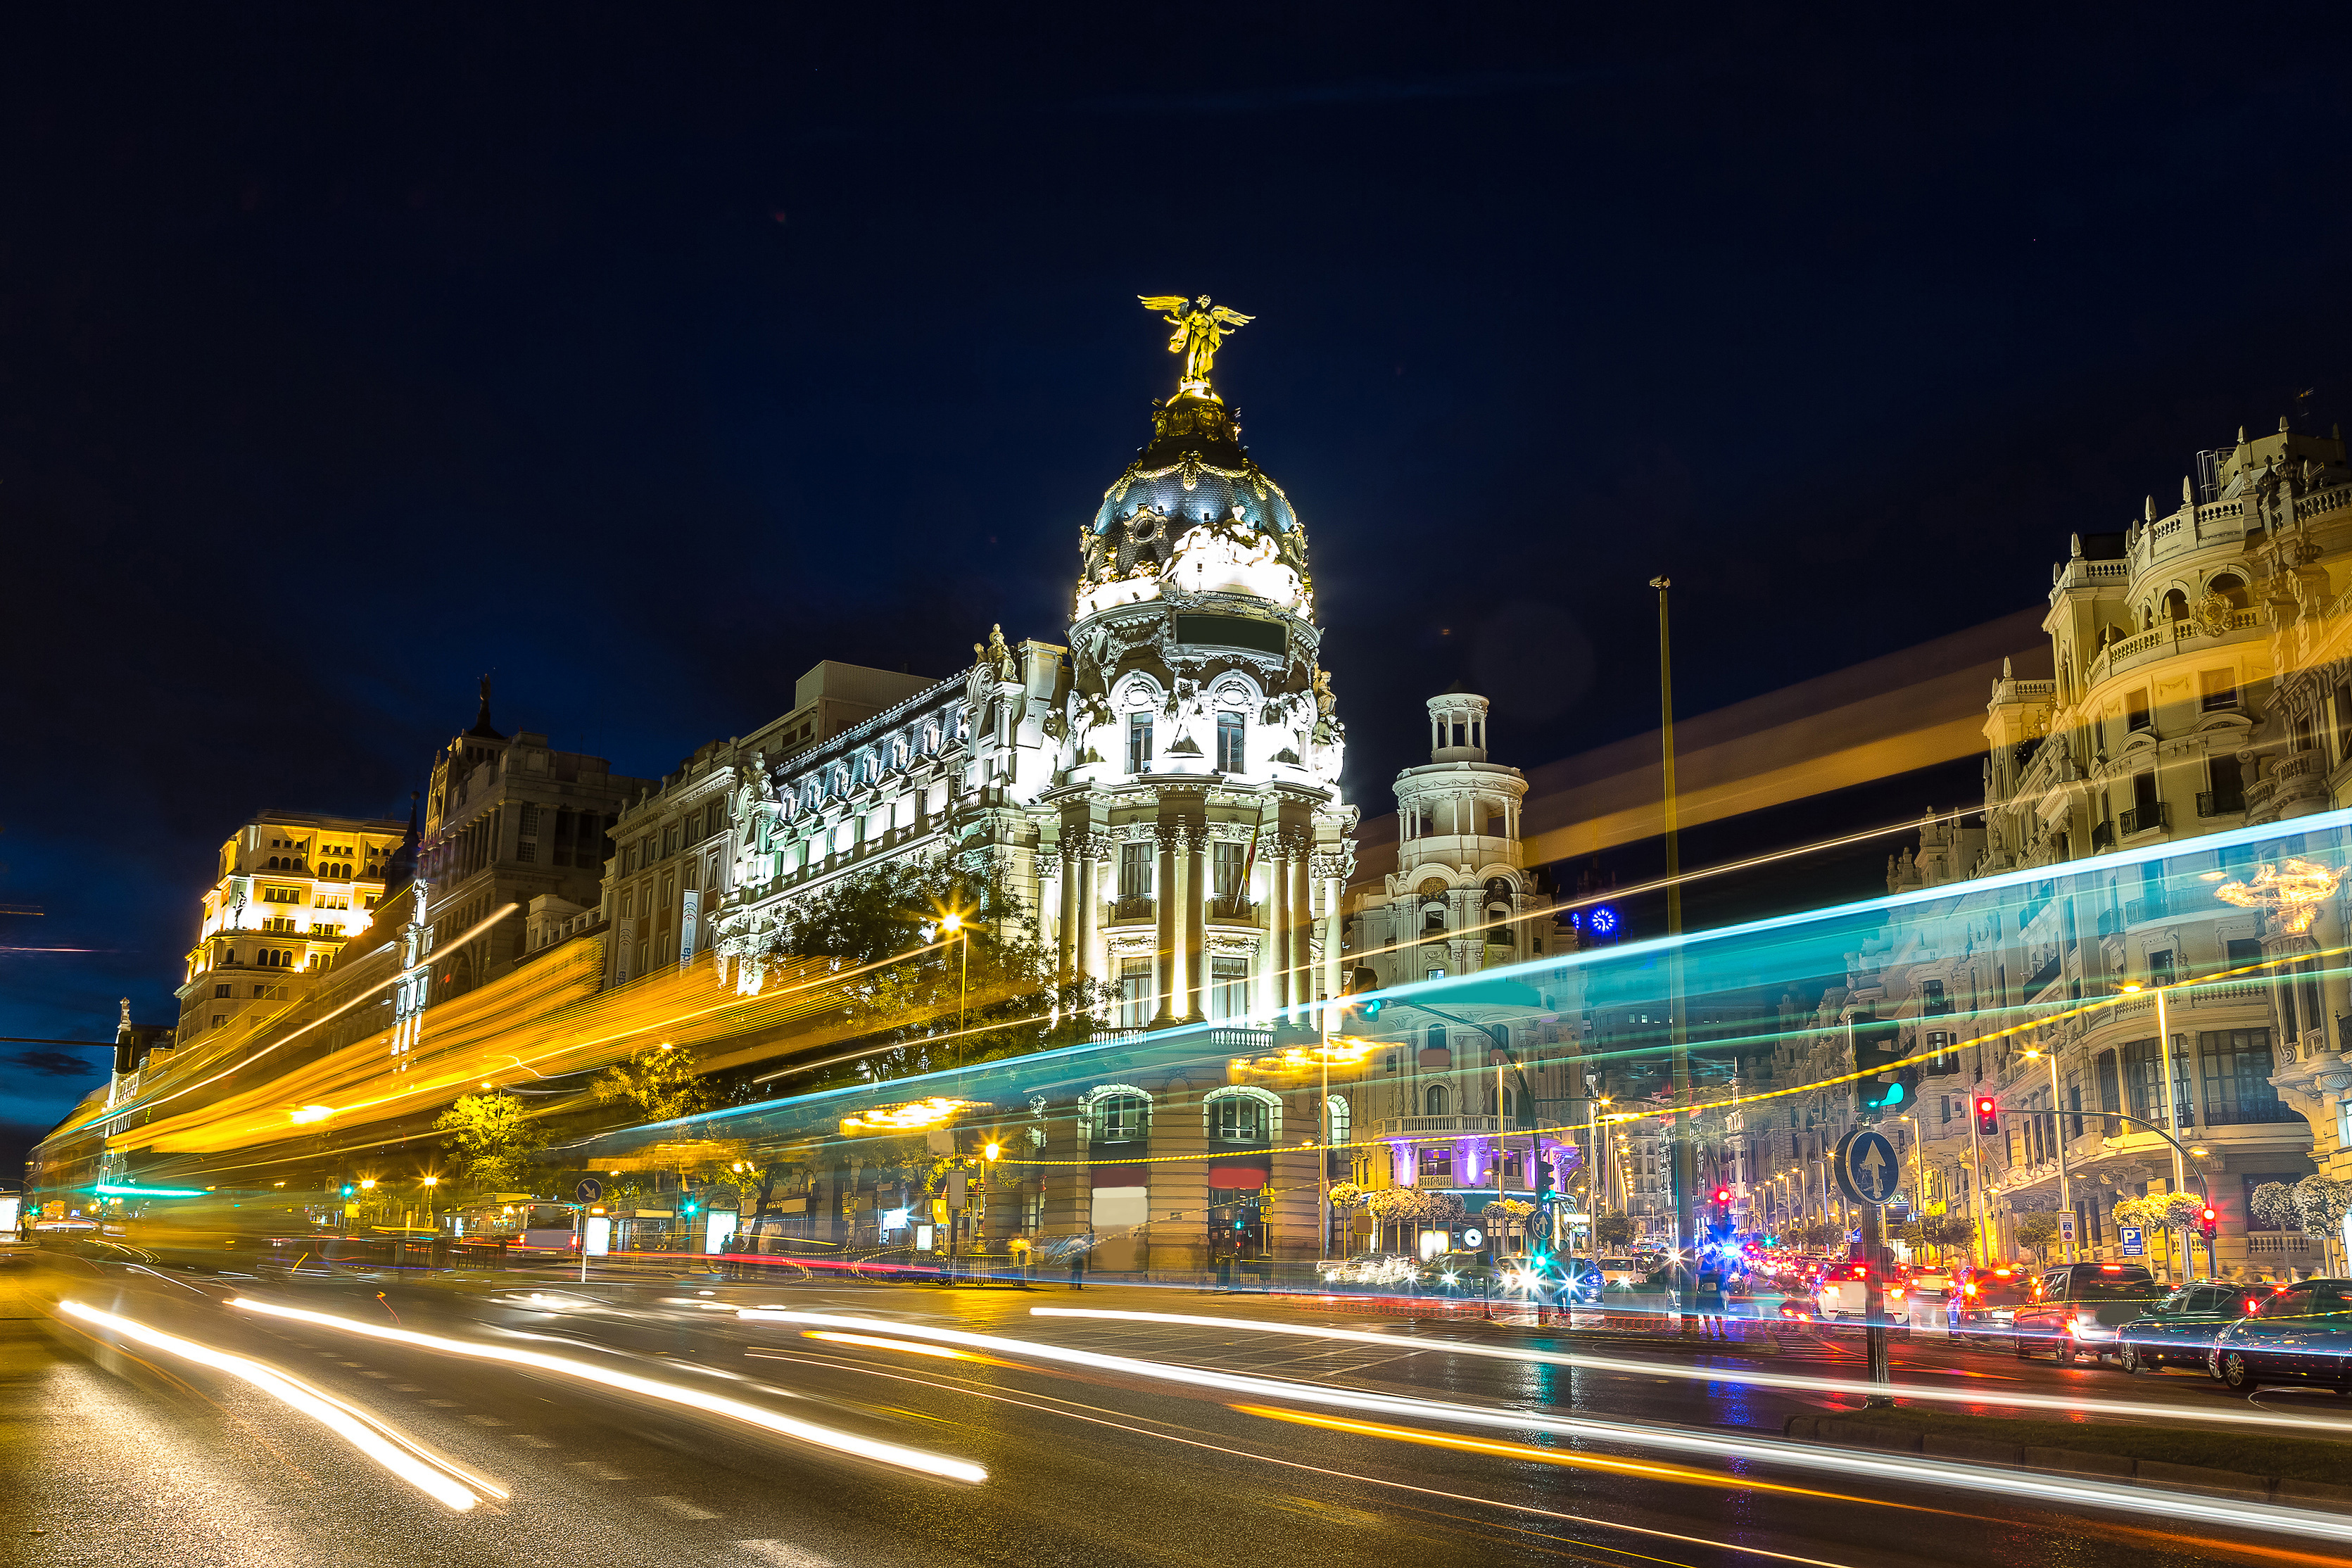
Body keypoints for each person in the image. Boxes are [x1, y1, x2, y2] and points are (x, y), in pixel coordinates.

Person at [1696, 1261, 1728, 1340]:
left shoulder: (1716, 1260)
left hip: (1715, 1287)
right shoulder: (1702, 1259)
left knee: (1717, 1309)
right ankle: (1709, 1330)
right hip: (1706, 1287)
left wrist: (1719, 1272)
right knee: (1706, 1309)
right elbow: (1697, 1270)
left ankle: (1721, 1331)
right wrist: (1710, 1272)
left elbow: (1722, 1271)